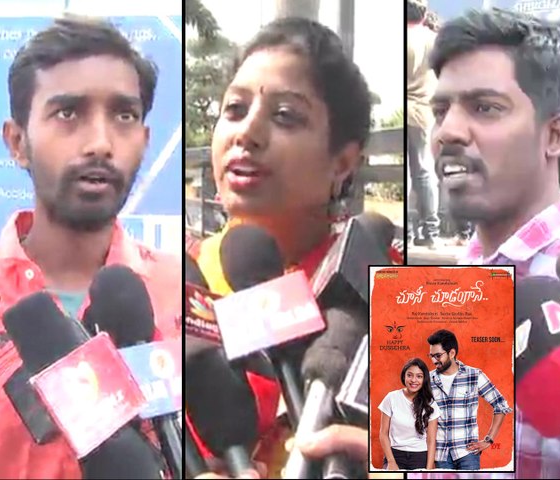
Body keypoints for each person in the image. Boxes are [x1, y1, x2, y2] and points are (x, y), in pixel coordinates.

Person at [0, 17, 182, 479]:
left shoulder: (184, 294)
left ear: (145, 141)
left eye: (124, 116)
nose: (100, 143)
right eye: (68, 114)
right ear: (17, 142)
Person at [187, 16, 376, 478]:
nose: (246, 133)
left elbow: (464, 454)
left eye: (285, 115)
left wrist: (402, 461)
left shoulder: (393, 290)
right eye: (234, 109)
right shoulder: (176, 282)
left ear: (343, 162)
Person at [430, 9, 560, 477]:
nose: (448, 131)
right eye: (440, 111)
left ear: (555, 135)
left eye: (485, 108)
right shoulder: (461, 273)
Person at [426, 330, 511, 471]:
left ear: (452, 353)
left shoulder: (474, 375)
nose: (434, 360)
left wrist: (489, 439)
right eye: (431, 356)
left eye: (438, 355)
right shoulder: (428, 379)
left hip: (467, 454)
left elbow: (501, 405)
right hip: (441, 455)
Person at [406, 0, 441, 249]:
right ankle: (432, 233)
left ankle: (408, 234)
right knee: (425, 172)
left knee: (409, 175)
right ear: (424, 13)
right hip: (424, 112)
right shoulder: (435, 41)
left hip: (407, 110)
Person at [379, 358, 440, 471]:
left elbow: (431, 440)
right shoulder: (391, 398)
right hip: (395, 455)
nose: (413, 380)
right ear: (404, 376)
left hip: (420, 456)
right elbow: (383, 434)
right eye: (409, 375)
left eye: (419, 376)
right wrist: (391, 461)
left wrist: (429, 469)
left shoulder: (430, 404)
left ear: (424, 379)